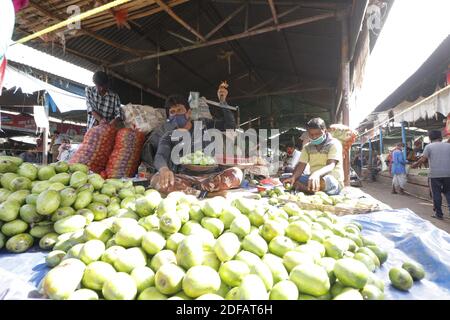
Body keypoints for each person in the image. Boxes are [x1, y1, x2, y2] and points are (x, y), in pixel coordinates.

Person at [150, 83, 243, 195]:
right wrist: (163, 169)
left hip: (212, 176)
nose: (176, 115)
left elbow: (230, 125)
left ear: (188, 113)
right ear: (169, 117)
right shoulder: (169, 136)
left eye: (179, 110)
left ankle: (194, 191)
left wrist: (222, 102)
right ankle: (206, 193)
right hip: (185, 178)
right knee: (156, 179)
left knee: (237, 173)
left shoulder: (203, 124)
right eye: (172, 112)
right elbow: (160, 155)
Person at [284, 118, 344, 195]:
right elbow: (301, 165)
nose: (314, 137)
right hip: (312, 179)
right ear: (308, 133)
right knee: (285, 177)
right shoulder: (307, 147)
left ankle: (306, 189)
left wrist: (316, 174)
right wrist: (293, 178)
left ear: (325, 131)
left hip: (331, 181)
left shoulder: (334, 144)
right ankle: (311, 189)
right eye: (311, 134)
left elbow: (331, 165)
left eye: (317, 134)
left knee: (328, 180)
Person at [411, 130, 450, 220]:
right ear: (440, 137)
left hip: (435, 174)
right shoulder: (449, 146)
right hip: (448, 174)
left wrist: (415, 165)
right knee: (448, 193)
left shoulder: (429, 147)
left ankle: (439, 214)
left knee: (436, 194)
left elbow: (423, 159)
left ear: (430, 138)